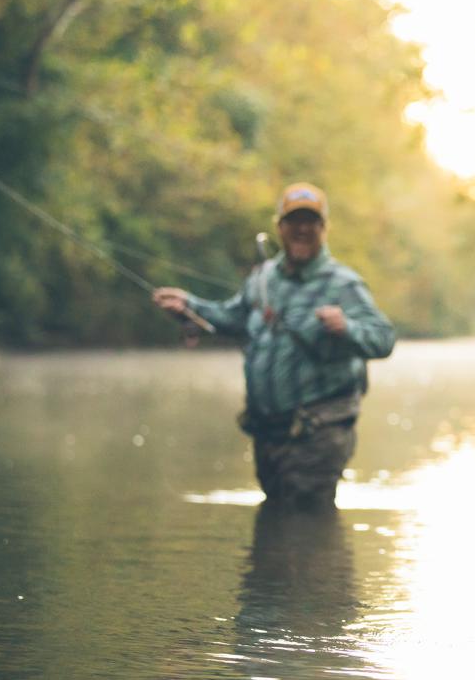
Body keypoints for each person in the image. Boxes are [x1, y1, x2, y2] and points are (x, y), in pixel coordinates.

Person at [153, 182, 395, 511]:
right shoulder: (264, 279)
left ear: (324, 228)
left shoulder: (342, 283)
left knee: (305, 523)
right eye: (294, 221)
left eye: (311, 221)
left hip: (319, 432)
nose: (302, 229)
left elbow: (383, 338)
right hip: (268, 432)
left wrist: (348, 327)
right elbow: (232, 317)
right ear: (279, 226)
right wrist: (190, 307)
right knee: (278, 520)